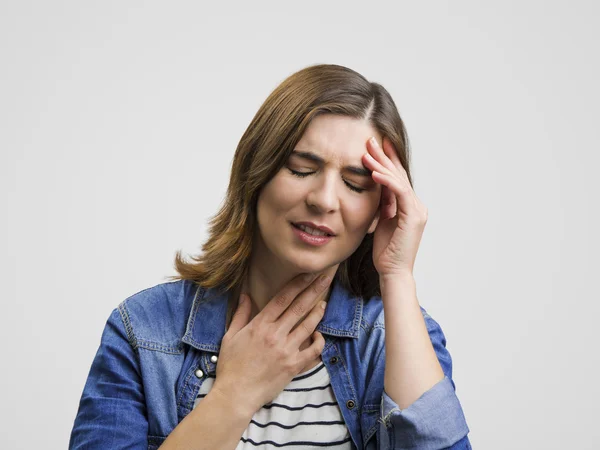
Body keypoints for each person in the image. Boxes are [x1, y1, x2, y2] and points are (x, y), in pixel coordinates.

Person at [69, 64, 471, 450]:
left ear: (379, 210)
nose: (324, 199)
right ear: (256, 173)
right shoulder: (143, 330)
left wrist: (398, 275)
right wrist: (234, 395)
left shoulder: (397, 337)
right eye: (301, 168)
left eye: (354, 183)